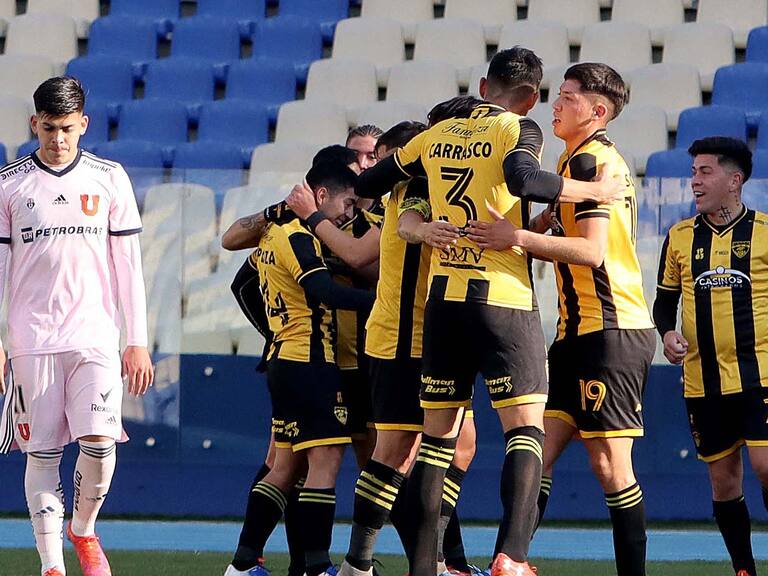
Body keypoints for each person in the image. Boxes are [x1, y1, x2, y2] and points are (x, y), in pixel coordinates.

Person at [354, 47, 627, 576]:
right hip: (501, 298)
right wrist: (595, 189)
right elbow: (525, 178)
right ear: (530, 97)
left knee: (436, 438)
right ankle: (513, 557)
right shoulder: (517, 129)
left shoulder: (433, 136)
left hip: (443, 304)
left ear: (483, 87)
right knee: (525, 429)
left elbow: (367, 185)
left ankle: (422, 568)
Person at [467, 63, 655, 576]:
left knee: (609, 465)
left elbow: (593, 253)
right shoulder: (574, 160)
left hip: (611, 331)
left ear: (597, 111)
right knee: (538, 450)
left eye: (568, 97)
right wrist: (540, 224)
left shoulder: (594, 161)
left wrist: (520, 239)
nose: (555, 103)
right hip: (575, 332)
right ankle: (512, 561)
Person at [0, 76, 154, 576]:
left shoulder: (109, 179)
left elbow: (129, 264)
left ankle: (83, 529)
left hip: (94, 335)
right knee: (41, 454)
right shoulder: (10, 185)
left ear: (83, 124)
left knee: (101, 443)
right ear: (34, 125)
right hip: (31, 340)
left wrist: (137, 341)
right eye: (48, 128)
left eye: (67, 128)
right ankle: (51, 566)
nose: (58, 139)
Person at [224, 160, 376, 576]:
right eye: (346, 203)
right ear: (320, 196)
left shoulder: (272, 235)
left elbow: (242, 282)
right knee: (324, 463)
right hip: (311, 362)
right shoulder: (296, 234)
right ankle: (316, 565)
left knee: (285, 467)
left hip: (286, 360)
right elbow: (322, 290)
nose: (349, 213)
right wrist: (385, 306)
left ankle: (242, 563)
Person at [654, 136, 768, 576]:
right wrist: (667, 333)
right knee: (724, 481)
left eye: (705, 172)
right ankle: (744, 569)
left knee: (765, 466)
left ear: (734, 180)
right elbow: (664, 303)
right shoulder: (680, 237)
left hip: (759, 377)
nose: (694, 181)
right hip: (703, 383)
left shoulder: (763, 233)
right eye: (693, 172)